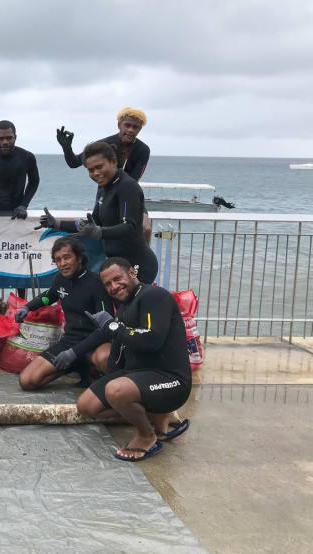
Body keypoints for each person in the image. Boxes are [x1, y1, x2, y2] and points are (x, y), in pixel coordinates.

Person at [76, 257, 192, 462]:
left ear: (132, 273)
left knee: (116, 390)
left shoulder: (154, 296)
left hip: (171, 379)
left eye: (117, 278)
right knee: (86, 406)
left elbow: (152, 340)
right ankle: (156, 416)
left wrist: (113, 327)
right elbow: (118, 355)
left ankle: (147, 435)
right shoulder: (124, 308)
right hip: (139, 376)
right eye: (108, 284)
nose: (114, 286)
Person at [38, 141, 159, 284]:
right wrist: (57, 223)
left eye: (99, 167)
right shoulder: (103, 187)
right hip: (116, 264)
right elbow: (93, 223)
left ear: (113, 162)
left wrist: (99, 232)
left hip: (139, 264)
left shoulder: (127, 186)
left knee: (133, 306)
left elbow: (129, 226)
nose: (96, 173)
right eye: (90, 170)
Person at [17, 236, 114, 389]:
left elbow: (107, 329)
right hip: (70, 341)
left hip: (95, 342)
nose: (62, 264)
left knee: (105, 358)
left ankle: (103, 382)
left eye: (67, 257)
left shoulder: (96, 283)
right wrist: (27, 308)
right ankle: (74, 365)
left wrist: (73, 353)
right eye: (58, 260)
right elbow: (48, 297)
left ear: (79, 258)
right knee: (27, 381)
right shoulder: (59, 280)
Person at [57, 107, 152, 241]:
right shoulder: (103, 144)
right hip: (106, 191)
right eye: (127, 125)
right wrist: (67, 148)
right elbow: (74, 163)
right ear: (119, 125)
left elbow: (133, 180)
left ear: (140, 129)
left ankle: (141, 257)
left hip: (128, 193)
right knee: (97, 224)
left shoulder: (143, 150)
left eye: (135, 127)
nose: (131, 130)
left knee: (145, 228)